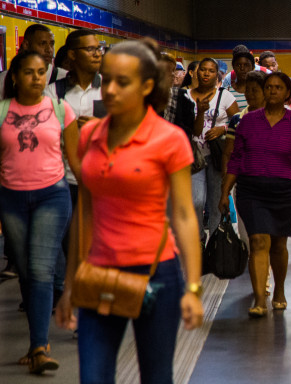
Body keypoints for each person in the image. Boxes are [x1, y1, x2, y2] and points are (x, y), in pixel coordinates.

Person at [55, 39, 203, 383]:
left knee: (156, 376)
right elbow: (85, 212)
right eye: (106, 80)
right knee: (93, 376)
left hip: (156, 274)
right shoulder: (90, 135)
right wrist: (70, 284)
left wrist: (194, 288)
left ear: (147, 86)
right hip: (98, 271)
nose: (109, 90)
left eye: (122, 82)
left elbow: (183, 215)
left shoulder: (168, 139)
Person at [0, 51, 79, 374]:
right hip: (11, 200)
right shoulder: (2, 111)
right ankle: (36, 345)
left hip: (52, 195)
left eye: (41, 72)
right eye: (29, 72)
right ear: (15, 77)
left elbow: (76, 159)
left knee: (41, 269)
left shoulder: (60, 109)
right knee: (27, 272)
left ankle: (39, 347)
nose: (36, 78)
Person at [220, 72, 291, 317]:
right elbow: (236, 158)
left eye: (278, 87)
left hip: (283, 191)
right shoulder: (248, 122)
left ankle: (280, 291)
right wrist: (225, 192)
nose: (273, 91)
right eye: (269, 87)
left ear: (287, 94)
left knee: (278, 245)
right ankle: (259, 299)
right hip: (251, 190)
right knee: (257, 241)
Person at [43, 29, 105, 313]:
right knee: (70, 247)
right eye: (90, 49)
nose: (97, 54)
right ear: (72, 55)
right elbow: (40, 132)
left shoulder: (111, 89)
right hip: (63, 180)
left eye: (98, 49)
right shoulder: (54, 92)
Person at [190, 58, 238, 242]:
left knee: (216, 201)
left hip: (217, 155)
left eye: (211, 71)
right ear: (196, 72)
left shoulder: (225, 96)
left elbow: (237, 122)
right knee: (196, 201)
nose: (206, 73)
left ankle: (216, 242)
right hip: (195, 156)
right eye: (203, 69)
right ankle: (199, 238)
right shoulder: (186, 95)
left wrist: (222, 129)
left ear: (217, 74)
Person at [222, 70, 267, 242]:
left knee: (269, 236)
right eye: (247, 90)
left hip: (273, 185)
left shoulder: (278, 118)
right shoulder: (237, 120)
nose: (249, 94)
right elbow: (228, 154)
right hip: (244, 185)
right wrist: (225, 189)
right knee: (248, 236)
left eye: (255, 90)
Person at [0, 24, 67, 99]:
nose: (49, 50)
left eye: (52, 44)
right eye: (43, 44)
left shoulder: (64, 77)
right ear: (26, 44)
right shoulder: (4, 79)